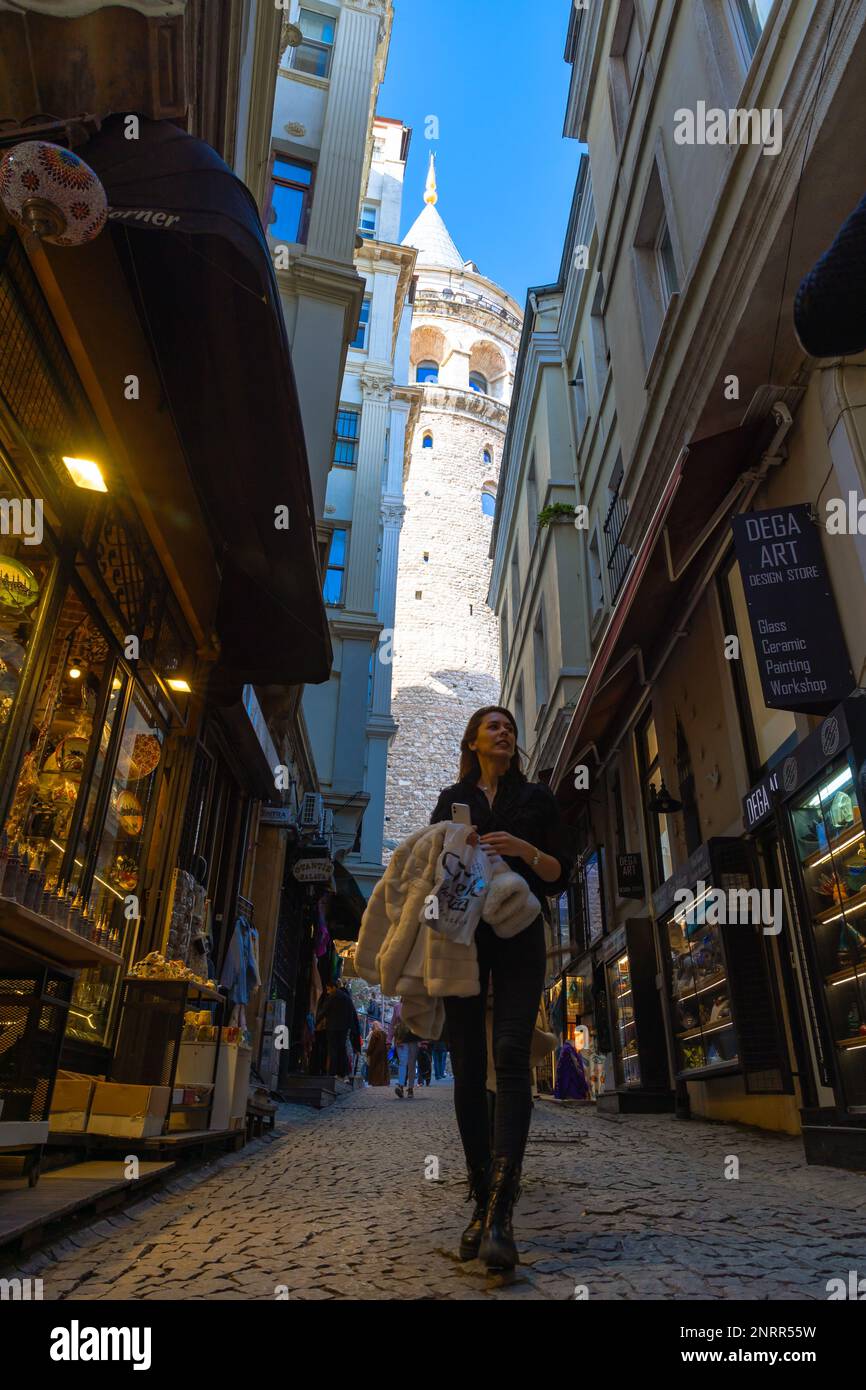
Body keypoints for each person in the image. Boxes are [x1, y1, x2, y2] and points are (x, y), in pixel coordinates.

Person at [430, 706, 572, 1272]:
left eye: (510, 726)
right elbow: (430, 867)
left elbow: (562, 869)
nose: (504, 731)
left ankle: (501, 1212)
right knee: (467, 1064)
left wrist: (524, 851)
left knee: (511, 1052)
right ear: (473, 739)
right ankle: (480, 1197)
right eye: (493, 725)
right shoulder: (451, 799)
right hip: (462, 936)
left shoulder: (536, 798)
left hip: (518, 931)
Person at [318, 982, 359, 1078]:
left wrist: (316, 1022)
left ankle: (333, 1072)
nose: (328, 992)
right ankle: (342, 1072)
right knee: (342, 1049)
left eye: (328, 989)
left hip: (332, 1027)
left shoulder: (332, 997)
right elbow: (352, 1015)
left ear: (333, 987)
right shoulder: (347, 999)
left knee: (333, 1049)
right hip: (344, 1028)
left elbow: (324, 1011)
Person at [554, 1037, 591, 1101]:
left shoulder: (565, 1048)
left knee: (567, 1084)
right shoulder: (569, 1049)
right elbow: (575, 1062)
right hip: (570, 1073)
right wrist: (580, 1072)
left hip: (565, 1073)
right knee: (571, 1085)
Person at [365, 1020, 390, 1086]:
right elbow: (388, 1044)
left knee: (375, 1069)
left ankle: (376, 1082)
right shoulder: (384, 1034)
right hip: (383, 1054)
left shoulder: (374, 1033)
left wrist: (368, 1052)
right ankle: (383, 1082)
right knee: (383, 1068)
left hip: (375, 1054)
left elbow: (371, 1045)